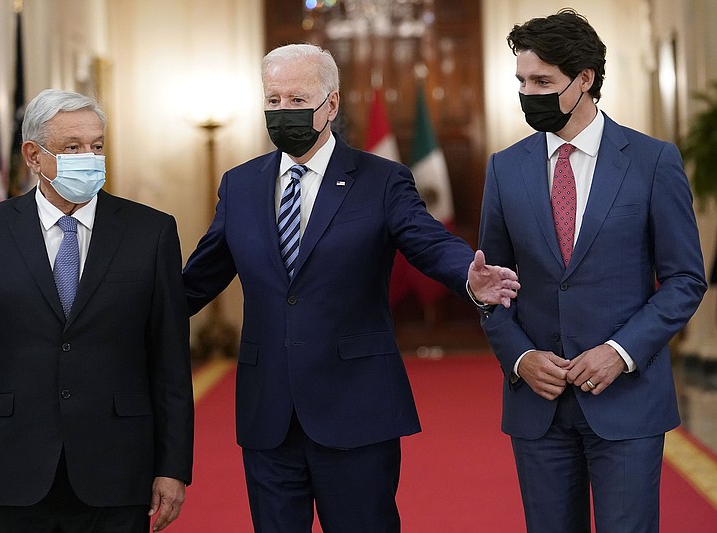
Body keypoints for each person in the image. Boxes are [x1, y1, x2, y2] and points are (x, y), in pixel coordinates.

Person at [183, 43, 520, 533]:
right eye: (272, 100)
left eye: (296, 100)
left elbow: (426, 240)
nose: (283, 112)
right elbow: (198, 278)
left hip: (355, 408)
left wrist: (468, 274)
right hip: (268, 413)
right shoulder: (240, 185)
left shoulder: (380, 179)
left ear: (332, 105)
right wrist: (124, 308)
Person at [478, 9, 707, 533]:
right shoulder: (504, 167)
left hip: (626, 401)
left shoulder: (653, 161)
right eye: (521, 81)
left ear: (585, 80)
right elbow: (492, 288)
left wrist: (620, 352)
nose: (528, 92)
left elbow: (685, 280)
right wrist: (519, 358)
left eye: (543, 81)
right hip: (539, 403)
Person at [0, 89, 193, 533]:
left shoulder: (151, 232)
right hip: (15, 469)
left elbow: (169, 362)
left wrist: (173, 468)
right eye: (72, 148)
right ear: (33, 155)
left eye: (96, 146)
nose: (89, 157)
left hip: (118, 469)